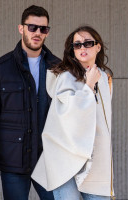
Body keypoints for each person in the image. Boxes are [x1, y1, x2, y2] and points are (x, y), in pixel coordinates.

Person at [0, 5, 60, 200]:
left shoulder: (58, 68)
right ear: (21, 28)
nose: (37, 33)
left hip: (48, 161)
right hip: (13, 161)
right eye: (32, 27)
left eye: (43, 29)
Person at [31, 25, 115, 200]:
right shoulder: (65, 77)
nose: (82, 48)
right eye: (77, 45)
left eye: (87, 43)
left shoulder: (104, 77)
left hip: (96, 160)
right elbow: (66, 115)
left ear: (98, 47)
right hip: (65, 158)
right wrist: (88, 86)